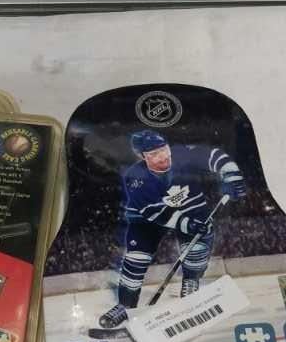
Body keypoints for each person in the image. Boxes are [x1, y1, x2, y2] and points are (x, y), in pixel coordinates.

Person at [99, 131, 246, 329]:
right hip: (147, 220)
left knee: (197, 250)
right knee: (135, 260)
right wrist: (188, 224)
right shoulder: (135, 176)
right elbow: (154, 212)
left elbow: (215, 156)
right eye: (154, 154)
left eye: (163, 149)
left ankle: (191, 284)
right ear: (142, 156)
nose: (163, 157)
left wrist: (232, 177)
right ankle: (125, 305)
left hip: (191, 209)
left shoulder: (182, 154)